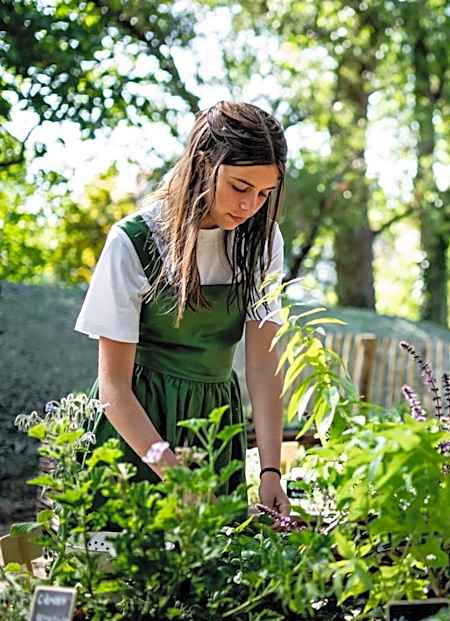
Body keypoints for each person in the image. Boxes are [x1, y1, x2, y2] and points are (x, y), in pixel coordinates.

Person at [75, 101, 290, 515]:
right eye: (240, 187)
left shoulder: (261, 242)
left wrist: (270, 472)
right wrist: (177, 478)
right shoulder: (133, 242)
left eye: (264, 194)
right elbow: (113, 387)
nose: (250, 206)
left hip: (214, 431)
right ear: (203, 164)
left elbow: (263, 366)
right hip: (137, 433)